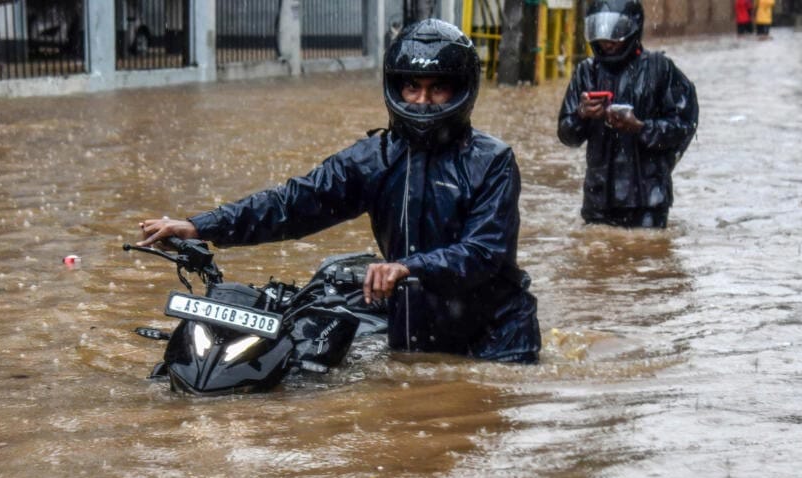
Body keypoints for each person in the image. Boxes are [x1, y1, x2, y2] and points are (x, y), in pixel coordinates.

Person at [138, 19, 541, 364]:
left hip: (498, 342)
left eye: (438, 89)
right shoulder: (374, 158)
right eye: (412, 87)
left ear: (462, 89)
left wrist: (408, 268)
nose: (422, 101)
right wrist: (200, 226)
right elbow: (293, 203)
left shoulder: (492, 160)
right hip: (415, 333)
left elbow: (484, 252)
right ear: (396, 88)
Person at [557, 0, 699, 229]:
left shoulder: (660, 69)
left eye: (616, 32)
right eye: (600, 31)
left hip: (648, 201)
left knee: (647, 249)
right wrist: (582, 115)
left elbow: (683, 126)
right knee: (596, 247)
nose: (607, 41)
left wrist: (640, 128)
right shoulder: (586, 72)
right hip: (598, 200)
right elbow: (566, 135)